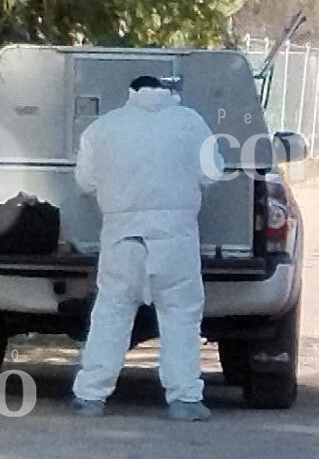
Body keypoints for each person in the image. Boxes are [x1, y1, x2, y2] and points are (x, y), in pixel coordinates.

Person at [70, 76, 223, 421]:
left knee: (111, 313)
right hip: (175, 240)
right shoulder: (190, 122)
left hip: (122, 237)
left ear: (130, 93)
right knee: (180, 317)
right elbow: (213, 173)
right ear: (169, 94)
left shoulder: (103, 128)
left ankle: (90, 396)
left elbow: (85, 182)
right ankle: (184, 400)